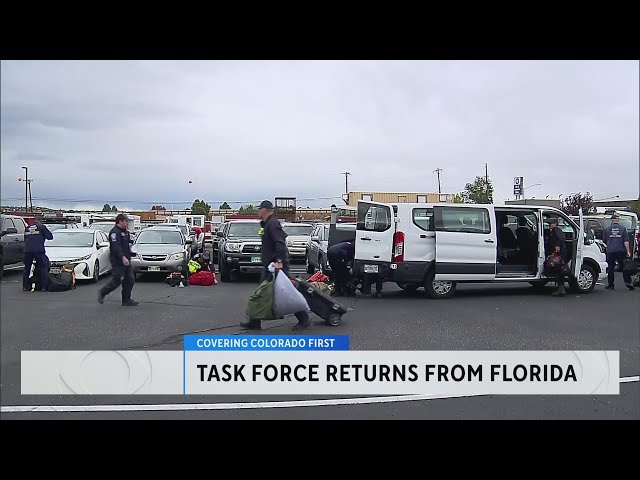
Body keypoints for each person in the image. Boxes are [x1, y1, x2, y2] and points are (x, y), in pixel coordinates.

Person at [240, 200, 311, 331]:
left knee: (285, 292)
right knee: (263, 293)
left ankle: (304, 319)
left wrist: (279, 261)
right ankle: (254, 322)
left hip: (277, 265)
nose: (258, 211)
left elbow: (280, 243)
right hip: (270, 265)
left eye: (259, 209)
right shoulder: (267, 224)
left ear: (265, 210)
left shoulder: (273, 224)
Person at [98, 214, 138, 306]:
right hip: (118, 261)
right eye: (125, 221)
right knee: (117, 280)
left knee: (130, 280)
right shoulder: (114, 233)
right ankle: (103, 292)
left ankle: (126, 300)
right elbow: (116, 247)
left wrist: (131, 254)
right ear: (120, 221)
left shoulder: (125, 232)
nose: (127, 223)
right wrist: (122, 257)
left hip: (126, 260)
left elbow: (127, 245)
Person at [603, 213, 633, 290]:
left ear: (611, 220)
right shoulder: (623, 229)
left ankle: (611, 285)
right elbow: (626, 241)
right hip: (621, 250)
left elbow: (604, 241)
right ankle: (628, 282)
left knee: (610, 268)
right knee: (624, 267)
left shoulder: (607, 229)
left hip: (611, 251)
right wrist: (628, 252)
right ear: (618, 220)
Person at [23, 221, 53, 292]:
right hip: (39, 250)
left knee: (27, 269)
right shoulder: (41, 227)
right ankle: (43, 287)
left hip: (27, 250)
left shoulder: (27, 228)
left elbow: (25, 239)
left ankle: (25, 286)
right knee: (43, 268)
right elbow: (50, 237)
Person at [546, 218, 567, 297]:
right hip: (559, 254)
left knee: (558, 271)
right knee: (559, 271)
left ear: (555, 224)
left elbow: (561, 239)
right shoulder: (555, 230)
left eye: (550, 224)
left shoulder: (556, 230)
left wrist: (557, 246)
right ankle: (561, 289)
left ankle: (560, 289)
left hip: (559, 254)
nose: (549, 225)